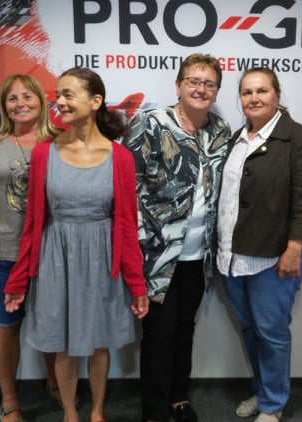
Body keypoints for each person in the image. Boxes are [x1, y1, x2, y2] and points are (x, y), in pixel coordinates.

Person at [4, 67, 149, 422]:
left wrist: (136, 284)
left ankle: (97, 411)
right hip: (56, 259)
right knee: (63, 346)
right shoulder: (44, 154)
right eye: (59, 95)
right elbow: (33, 223)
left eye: (69, 94)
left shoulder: (120, 157)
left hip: (102, 259)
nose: (61, 102)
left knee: (99, 344)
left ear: (95, 101)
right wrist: (19, 279)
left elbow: (127, 225)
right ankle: (70, 412)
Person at [122, 53, 231, 422]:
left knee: (185, 328)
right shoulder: (151, 123)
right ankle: (154, 409)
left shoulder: (220, 130)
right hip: (157, 255)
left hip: (199, 256)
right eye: (194, 81)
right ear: (179, 85)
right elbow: (128, 188)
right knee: (159, 332)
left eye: (209, 83)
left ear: (217, 90)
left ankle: (178, 397)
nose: (201, 89)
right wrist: (135, 247)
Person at [0, 73, 74, 422]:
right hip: (3, 254)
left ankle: (56, 384)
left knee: (53, 325)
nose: (20, 103)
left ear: (42, 101)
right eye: (12, 98)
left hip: (52, 253)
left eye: (28, 96)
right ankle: (10, 400)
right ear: (3, 106)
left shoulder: (62, 142)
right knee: (6, 326)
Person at [219, 67, 302, 422]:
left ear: (277, 94)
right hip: (232, 256)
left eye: (262, 90)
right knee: (251, 329)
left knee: (272, 333)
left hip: (274, 257)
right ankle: (262, 391)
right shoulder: (237, 138)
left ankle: (273, 404)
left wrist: (295, 247)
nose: (254, 98)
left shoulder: (298, 138)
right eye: (247, 92)